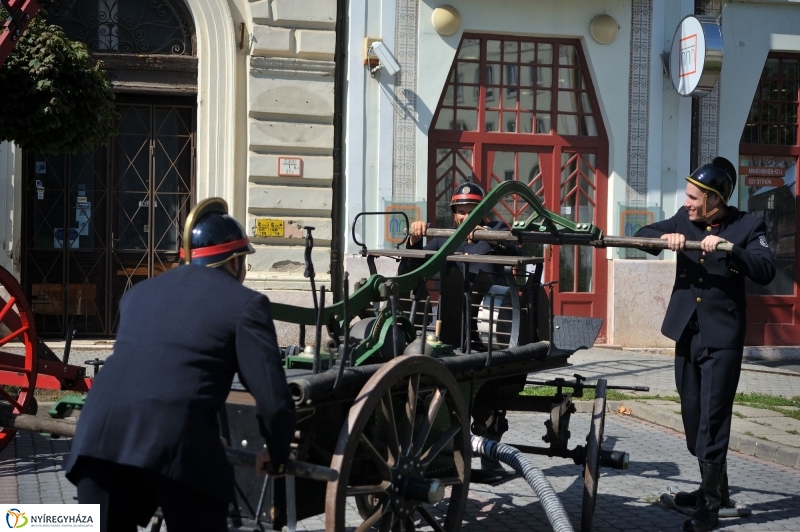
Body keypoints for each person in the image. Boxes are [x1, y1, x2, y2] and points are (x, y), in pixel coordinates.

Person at [65, 198, 296, 532]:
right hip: (176, 446)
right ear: (234, 262)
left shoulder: (138, 295)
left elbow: (158, 370)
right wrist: (275, 454)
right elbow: (274, 402)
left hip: (99, 441)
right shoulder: (246, 304)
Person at [634, 157, 775, 532]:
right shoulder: (683, 219)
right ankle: (713, 490)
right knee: (693, 414)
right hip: (687, 332)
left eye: (695, 197)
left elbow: (765, 269)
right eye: (688, 195)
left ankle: (710, 507)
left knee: (713, 419)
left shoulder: (747, 225)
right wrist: (663, 238)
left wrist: (730, 249)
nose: (688, 202)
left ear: (715, 198)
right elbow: (642, 232)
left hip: (722, 337)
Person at [399, 181, 520, 281]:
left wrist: (486, 235)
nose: (467, 218)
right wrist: (415, 238)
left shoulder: (496, 228)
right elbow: (416, 265)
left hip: (490, 305)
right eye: (462, 212)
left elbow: (515, 252)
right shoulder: (444, 236)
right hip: (452, 306)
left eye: (472, 213)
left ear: (482, 213)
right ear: (455, 214)